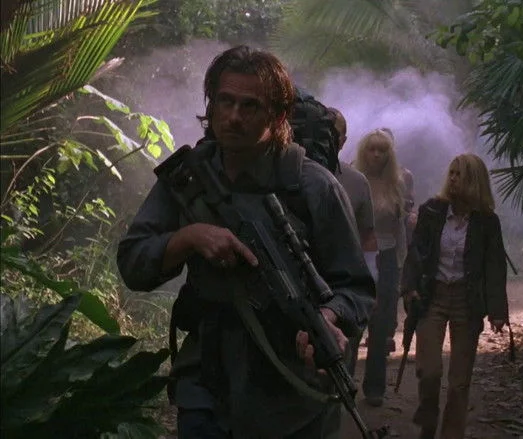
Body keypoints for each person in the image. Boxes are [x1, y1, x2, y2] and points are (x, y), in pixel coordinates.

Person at [116, 46, 375, 439]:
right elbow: (133, 262)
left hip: (291, 396)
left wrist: (329, 317)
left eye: (250, 106)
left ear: (278, 115)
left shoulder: (314, 187)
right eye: (226, 101)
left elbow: (356, 288)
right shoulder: (188, 179)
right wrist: (189, 238)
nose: (234, 116)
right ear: (211, 104)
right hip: (207, 385)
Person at [401, 153, 509, 439]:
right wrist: (409, 287)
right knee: (429, 370)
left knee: (460, 381)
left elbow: (494, 266)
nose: (453, 178)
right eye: (451, 172)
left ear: (474, 181)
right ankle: (428, 418)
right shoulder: (432, 211)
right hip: (433, 296)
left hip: (467, 301)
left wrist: (498, 311)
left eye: (460, 174)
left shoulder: (487, 222)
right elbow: (416, 253)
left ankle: (451, 433)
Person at [353, 129, 407, 407]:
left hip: (387, 257)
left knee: (381, 323)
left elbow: (400, 228)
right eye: (372, 149)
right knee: (351, 321)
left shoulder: (398, 182)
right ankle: (344, 382)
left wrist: (401, 262)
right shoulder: (353, 180)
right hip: (357, 256)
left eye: (382, 150)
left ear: (389, 154)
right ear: (364, 152)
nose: (376, 155)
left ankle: (374, 388)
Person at [328, 106, 377, 377]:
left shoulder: (357, 182)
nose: (327, 138)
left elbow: (368, 237)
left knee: (344, 357)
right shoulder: (288, 174)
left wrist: (370, 285)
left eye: (334, 133)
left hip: (345, 283)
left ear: (343, 140)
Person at [378, 127, 415, 354]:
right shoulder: (360, 173)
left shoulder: (403, 175)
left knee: (391, 289)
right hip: (370, 241)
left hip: (394, 237)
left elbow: (408, 204)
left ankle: (387, 333)